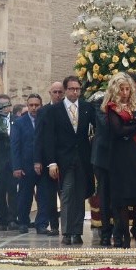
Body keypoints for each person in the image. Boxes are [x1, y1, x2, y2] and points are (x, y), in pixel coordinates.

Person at [38, 74, 97, 246]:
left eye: (77, 89)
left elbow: (97, 128)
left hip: (83, 159)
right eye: (71, 89)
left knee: (80, 196)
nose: (75, 92)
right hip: (63, 160)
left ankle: (77, 232)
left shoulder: (87, 108)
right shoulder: (54, 110)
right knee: (67, 194)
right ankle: (67, 231)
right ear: (65, 90)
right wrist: (51, 162)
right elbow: (48, 138)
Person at [101, 72, 136, 247]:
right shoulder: (112, 107)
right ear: (116, 90)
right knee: (122, 197)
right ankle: (125, 236)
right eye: (122, 89)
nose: (125, 92)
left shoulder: (134, 105)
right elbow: (119, 131)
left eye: (127, 89)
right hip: (119, 154)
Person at [11, 93, 46, 235]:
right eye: (31, 105)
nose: (34, 108)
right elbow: (15, 145)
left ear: (41, 105)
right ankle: (23, 222)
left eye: (36, 105)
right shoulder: (19, 122)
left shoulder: (45, 120)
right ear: (27, 105)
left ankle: (42, 223)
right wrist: (17, 167)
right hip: (25, 166)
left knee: (43, 196)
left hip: (43, 165)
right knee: (25, 196)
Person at [0, 94, 15, 231]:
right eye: (1, 106)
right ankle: (2, 220)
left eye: (6, 105)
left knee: (13, 190)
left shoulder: (16, 121)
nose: (4, 108)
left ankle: (13, 218)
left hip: (13, 161)